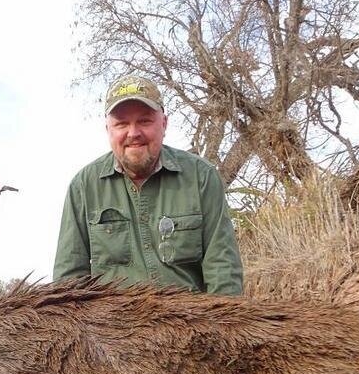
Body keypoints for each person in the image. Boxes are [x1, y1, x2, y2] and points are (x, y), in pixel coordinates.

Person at [53, 75, 243, 295]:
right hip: (113, 326)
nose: (133, 133)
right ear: (108, 130)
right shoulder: (83, 187)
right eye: (121, 123)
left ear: (164, 123)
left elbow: (223, 270)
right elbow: (68, 282)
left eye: (144, 121)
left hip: (190, 323)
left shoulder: (202, 177)